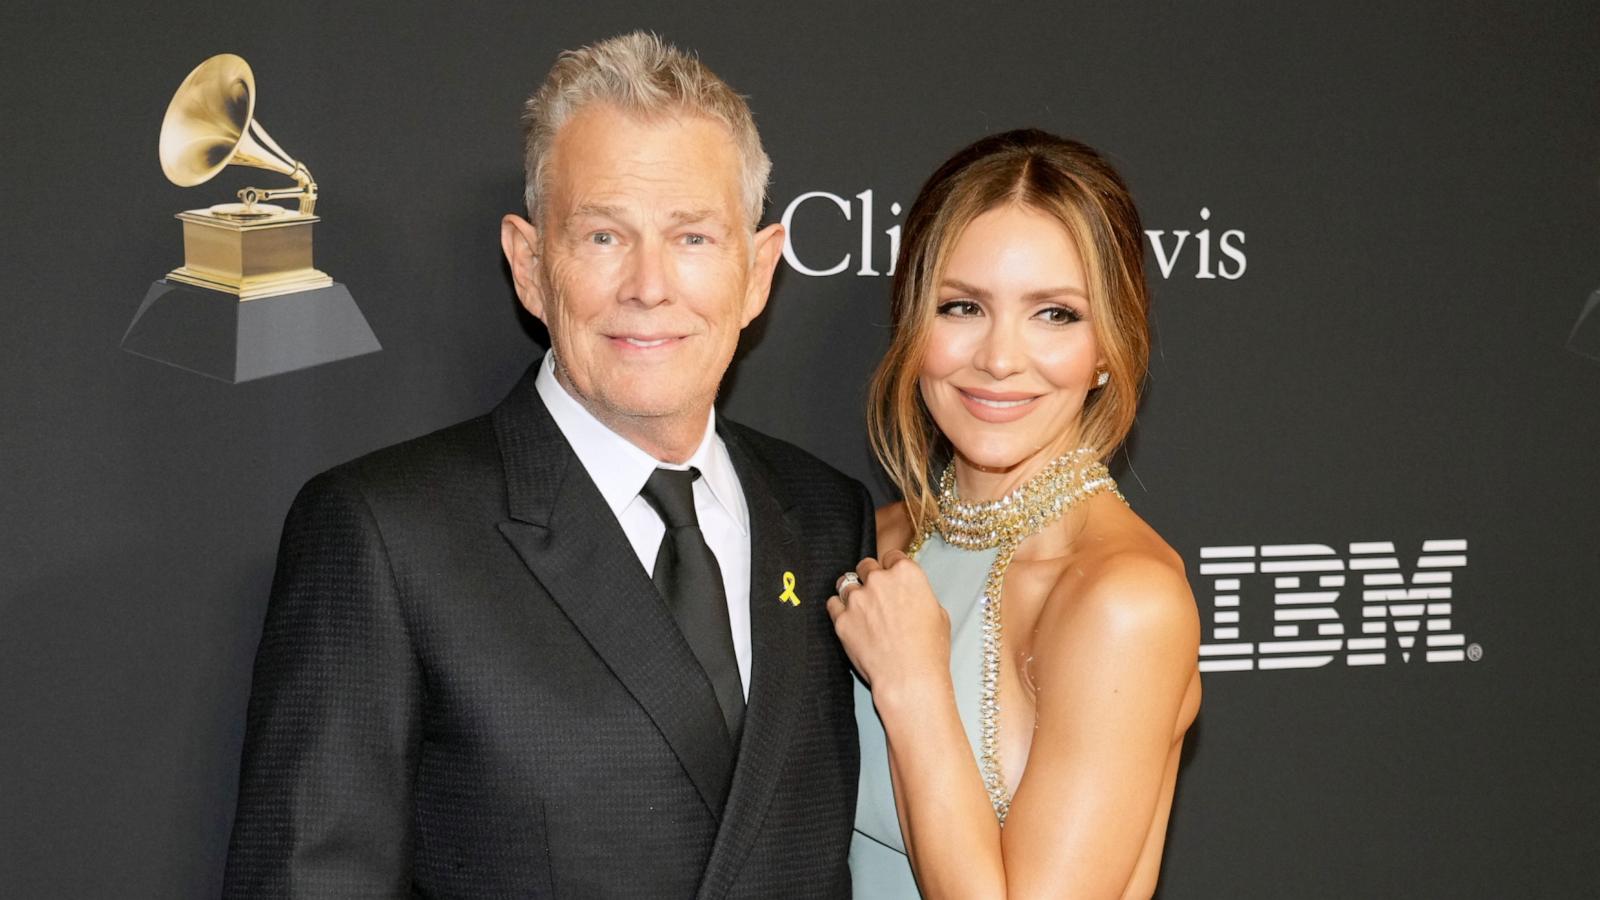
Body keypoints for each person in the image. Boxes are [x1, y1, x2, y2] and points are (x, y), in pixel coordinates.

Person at [223, 32, 871, 898]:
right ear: (531, 267)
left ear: (756, 273)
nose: (649, 285)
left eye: (693, 239)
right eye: (604, 236)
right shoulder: (385, 534)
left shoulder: (828, 518)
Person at [829, 129, 1202, 899]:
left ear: (1110, 344)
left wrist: (912, 684)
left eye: (1055, 314)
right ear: (912, 325)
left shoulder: (1122, 600)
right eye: (962, 306)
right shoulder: (880, 539)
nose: (1000, 358)